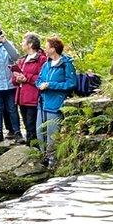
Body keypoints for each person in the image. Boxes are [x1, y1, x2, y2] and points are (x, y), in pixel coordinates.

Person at [36, 36, 76, 164]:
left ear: (53, 49)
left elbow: (71, 84)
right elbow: (39, 79)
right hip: (42, 103)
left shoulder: (66, 64)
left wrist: (51, 85)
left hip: (56, 103)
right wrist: (40, 85)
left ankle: (52, 161)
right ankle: (43, 158)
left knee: (52, 134)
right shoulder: (46, 64)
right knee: (40, 132)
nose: (45, 49)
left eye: (47, 47)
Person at [12, 33, 46, 145]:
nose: (22, 43)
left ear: (30, 44)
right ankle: (30, 146)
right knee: (26, 124)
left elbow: (43, 78)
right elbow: (14, 80)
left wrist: (26, 77)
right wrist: (17, 78)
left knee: (32, 124)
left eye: (23, 41)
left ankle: (34, 148)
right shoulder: (22, 60)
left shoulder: (41, 59)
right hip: (21, 97)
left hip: (33, 97)